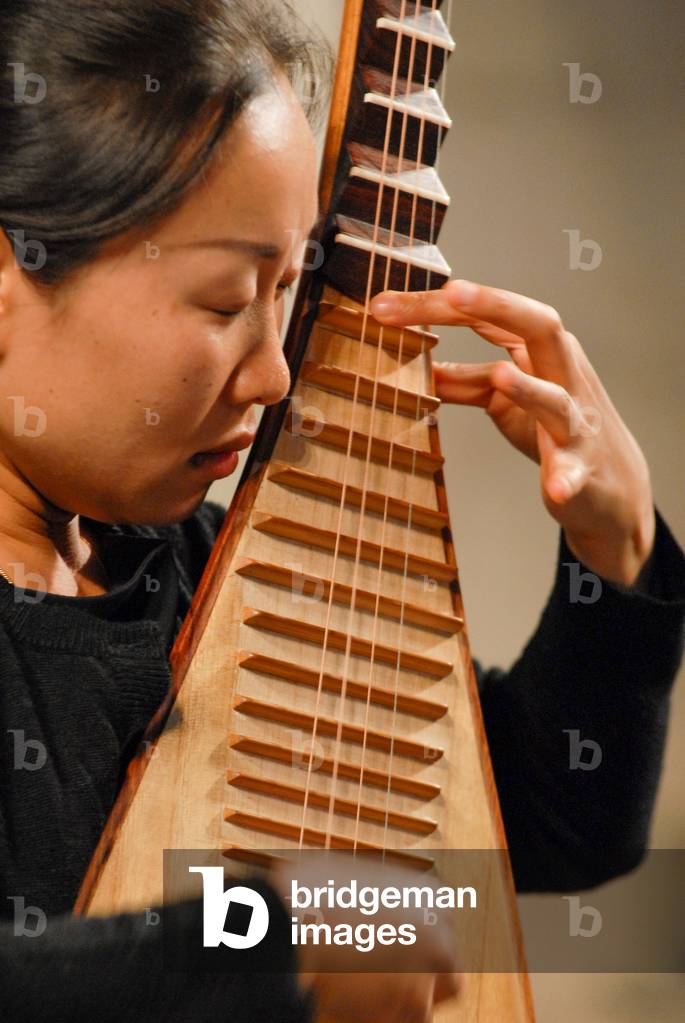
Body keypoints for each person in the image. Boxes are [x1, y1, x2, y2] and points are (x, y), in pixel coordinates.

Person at [0, 2, 682, 1022]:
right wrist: (267, 945)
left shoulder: (180, 562)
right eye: (229, 300)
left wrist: (612, 543)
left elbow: (553, 820)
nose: (275, 373)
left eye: (291, 288)